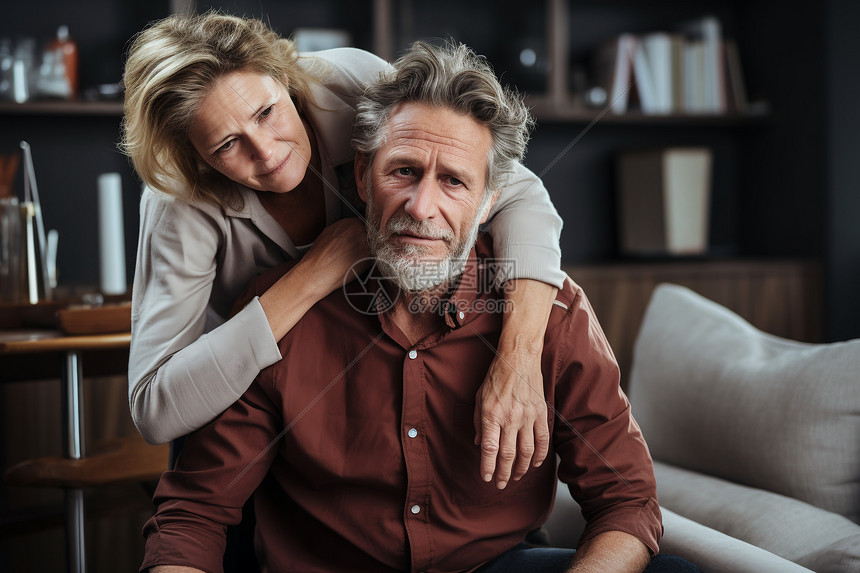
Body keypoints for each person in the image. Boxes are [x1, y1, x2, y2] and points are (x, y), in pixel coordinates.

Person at [140, 41, 699, 573]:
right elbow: (193, 515)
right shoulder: (273, 308)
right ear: (362, 175)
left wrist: (519, 359)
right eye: (403, 171)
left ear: (489, 202)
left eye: (453, 181)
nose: (421, 206)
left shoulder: (549, 312)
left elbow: (626, 499)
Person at [122, 11, 567, 490]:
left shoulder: (353, 83)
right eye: (227, 144)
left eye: (267, 113)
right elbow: (156, 409)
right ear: (194, 156)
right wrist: (316, 272)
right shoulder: (176, 200)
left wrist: (519, 359)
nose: (267, 154)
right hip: (232, 400)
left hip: (354, 395)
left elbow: (514, 190)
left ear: (284, 79)